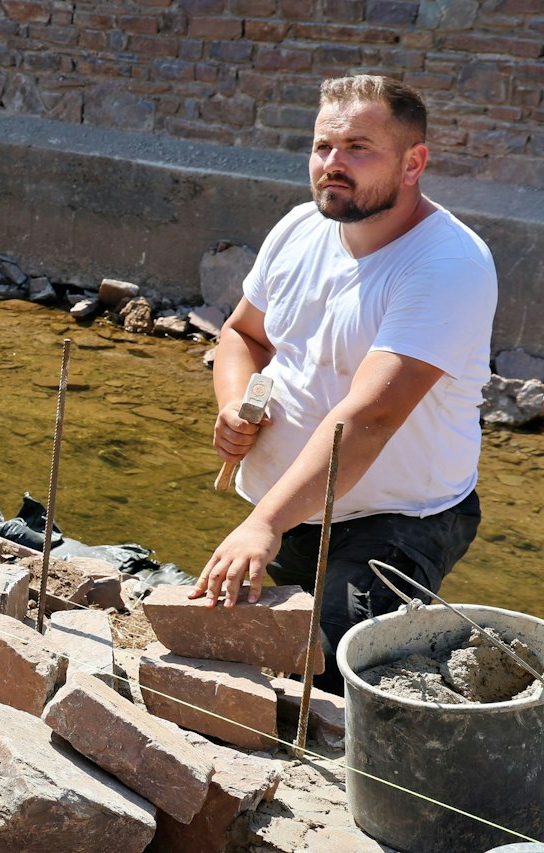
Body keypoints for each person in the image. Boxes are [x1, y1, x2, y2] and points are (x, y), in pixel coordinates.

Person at [193, 74, 495, 694]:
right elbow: (243, 335)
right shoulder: (301, 227)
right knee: (235, 659)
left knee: (326, 676)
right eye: (323, 147)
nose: (333, 164)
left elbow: (370, 418)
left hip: (396, 520)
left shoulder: (447, 265)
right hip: (289, 504)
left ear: (414, 163)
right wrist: (233, 406)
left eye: (359, 148)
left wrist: (263, 527)